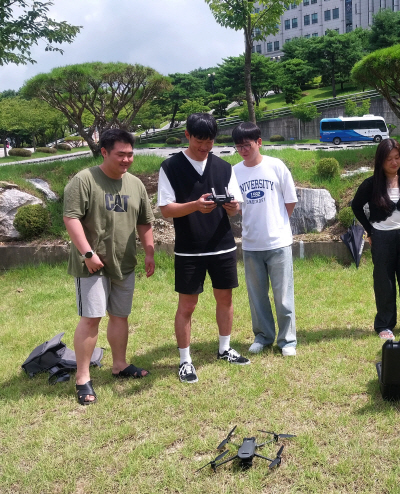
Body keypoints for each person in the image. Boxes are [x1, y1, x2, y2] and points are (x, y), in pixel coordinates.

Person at [63, 129, 155, 405]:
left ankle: (119, 365)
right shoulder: (84, 180)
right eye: (120, 154)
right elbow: (71, 219)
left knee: (120, 315)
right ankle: (82, 378)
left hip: (124, 263)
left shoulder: (135, 184)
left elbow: (144, 221)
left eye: (130, 154)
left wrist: (149, 252)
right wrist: (88, 253)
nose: (126, 160)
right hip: (92, 264)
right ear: (104, 152)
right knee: (91, 318)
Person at [158, 113, 250, 384]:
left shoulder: (223, 167)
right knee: (187, 305)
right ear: (187, 135)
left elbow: (235, 208)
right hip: (189, 248)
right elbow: (166, 210)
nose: (205, 147)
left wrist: (233, 207)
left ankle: (225, 348)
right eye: (199, 141)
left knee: (226, 299)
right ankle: (185, 360)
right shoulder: (170, 167)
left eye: (210, 141)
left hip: (222, 245)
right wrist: (195, 205)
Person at [231, 122, 298, 356]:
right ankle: (263, 336)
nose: (243, 150)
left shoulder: (276, 166)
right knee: (257, 296)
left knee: (283, 295)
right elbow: (235, 208)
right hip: (251, 243)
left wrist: (278, 224)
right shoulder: (235, 172)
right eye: (238, 146)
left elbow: (290, 201)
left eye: (247, 145)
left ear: (259, 142)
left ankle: (287, 340)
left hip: (278, 242)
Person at [351, 138, 400, 340]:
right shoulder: (371, 184)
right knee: (384, 282)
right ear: (380, 161)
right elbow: (356, 206)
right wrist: (369, 230)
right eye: (389, 159)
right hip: (382, 237)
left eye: (397, 157)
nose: (394, 162)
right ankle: (384, 325)